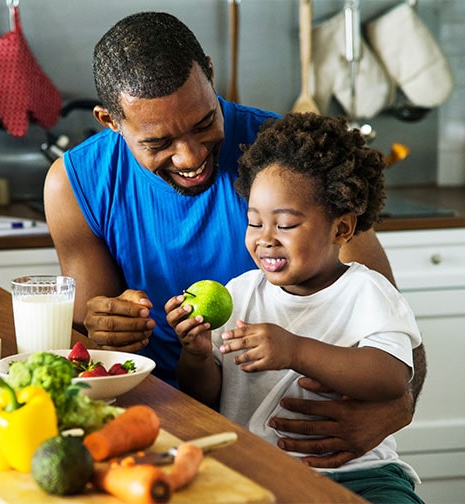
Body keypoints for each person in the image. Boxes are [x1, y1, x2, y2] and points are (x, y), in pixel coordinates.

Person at [44, 11, 427, 468]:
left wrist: (396, 409)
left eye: (204, 122)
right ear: (111, 121)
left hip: (300, 444)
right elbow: (92, 349)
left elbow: (394, 329)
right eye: (158, 142)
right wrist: (105, 327)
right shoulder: (75, 184)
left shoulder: (287, 162)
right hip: (148, 424)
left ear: (209, 71)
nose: (190, 156)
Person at [165, 112, 424, 503]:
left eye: (284, 225)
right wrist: (197, 356)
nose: (265, 240)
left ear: (341, 229)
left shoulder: (367, 293)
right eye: (255, 223)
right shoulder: (241, 293)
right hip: (255, 470)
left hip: (359, 473)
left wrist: (295, 350)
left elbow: (391, 378)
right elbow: (207, 398)